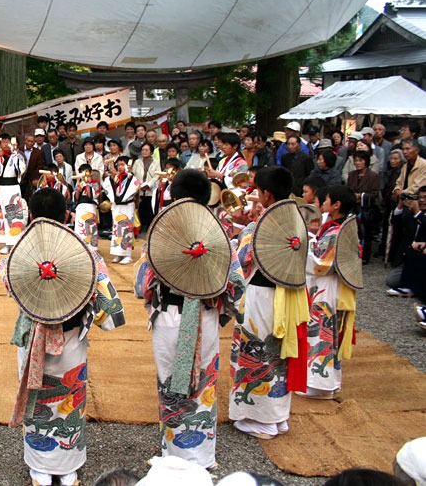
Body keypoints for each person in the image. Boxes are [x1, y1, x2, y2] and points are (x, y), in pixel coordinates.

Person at [0, 187, 125, 486]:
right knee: (70, 396)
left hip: (33, 335)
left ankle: (40, 466)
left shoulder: (17, 252)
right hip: (70, 336)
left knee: (38, 396)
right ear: (67, 216)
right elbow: (109, 304)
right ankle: (67, 466)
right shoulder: (87, 253)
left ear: (30, 216)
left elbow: (9, 287)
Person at [135, 169, 245, 470]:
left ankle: (173, 456)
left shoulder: (163, 228)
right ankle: (202, 455)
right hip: (206, 316)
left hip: (171, 315)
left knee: (170, 381)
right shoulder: (219, 230)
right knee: (205, 381)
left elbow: (141, 283)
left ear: (173, 193)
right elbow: (236, 282)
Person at [229, 166, 305, 440]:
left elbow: (243, 257)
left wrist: (241, 224)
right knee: (278, 355)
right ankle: (278, 415)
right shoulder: (295, 215)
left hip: (262, 296)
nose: (254, 195)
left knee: (258, 353)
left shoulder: (266, 222)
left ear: (267, 194)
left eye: (257, 190)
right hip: (287, 296)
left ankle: (262, 418)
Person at [300, 185, 358, 401]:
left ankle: (320, 384)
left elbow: (320, 263)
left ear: (336, 205)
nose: (322, 203)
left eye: (326, 200)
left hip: (326, 285)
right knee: (325, 331)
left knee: (322, 332)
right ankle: (326, 382)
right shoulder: (337, 228)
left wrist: (305, 244)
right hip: (327, 285)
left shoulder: (335, 232)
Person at [0, 133, 28, 254]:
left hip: (13, 188)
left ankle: (14, 242)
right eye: (4, 142)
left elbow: (22, 169)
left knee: (14, 213)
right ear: (0, 144)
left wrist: (16, 156)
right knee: (2, 213)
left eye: (8, 141)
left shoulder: (17, 156)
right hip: (1, 187)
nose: (6, 144)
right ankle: (6, 243)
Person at [102, 156, 140, 264]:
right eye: (118, 165)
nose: (119, 167)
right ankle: (119, 254)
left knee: (127, 229)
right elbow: (107, 186)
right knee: (117, 230)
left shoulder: (131, 178)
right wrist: (111, 178)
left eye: (122, 165)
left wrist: (120, 198)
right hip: (117, 206)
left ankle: (127, 255)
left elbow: (134, 189)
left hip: (127, 205)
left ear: (128, 166)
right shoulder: (116, 177)